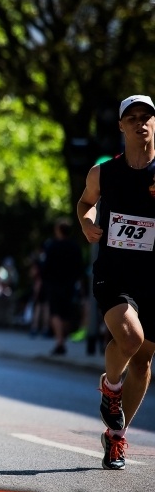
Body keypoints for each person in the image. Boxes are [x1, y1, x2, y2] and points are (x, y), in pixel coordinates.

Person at [76, 94, 155, 471]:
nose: (141, 123)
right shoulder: (103, 172)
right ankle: (110, 387)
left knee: (141, 363)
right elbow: (85, 202)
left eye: (147, 117)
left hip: (153, 276)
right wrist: (87, 222)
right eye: (133, 118)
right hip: (114, 271)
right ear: (121, 126)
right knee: (131, 338)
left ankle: (117, 438)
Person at [41, 218, 84, 355]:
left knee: (55, 313)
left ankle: (60, 341)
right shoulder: (75, 247)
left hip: (54, 284)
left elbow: (45, 266)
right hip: (69, 284)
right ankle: (63, 339)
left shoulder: (52, 246)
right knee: (66, 313)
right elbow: (80, 267)